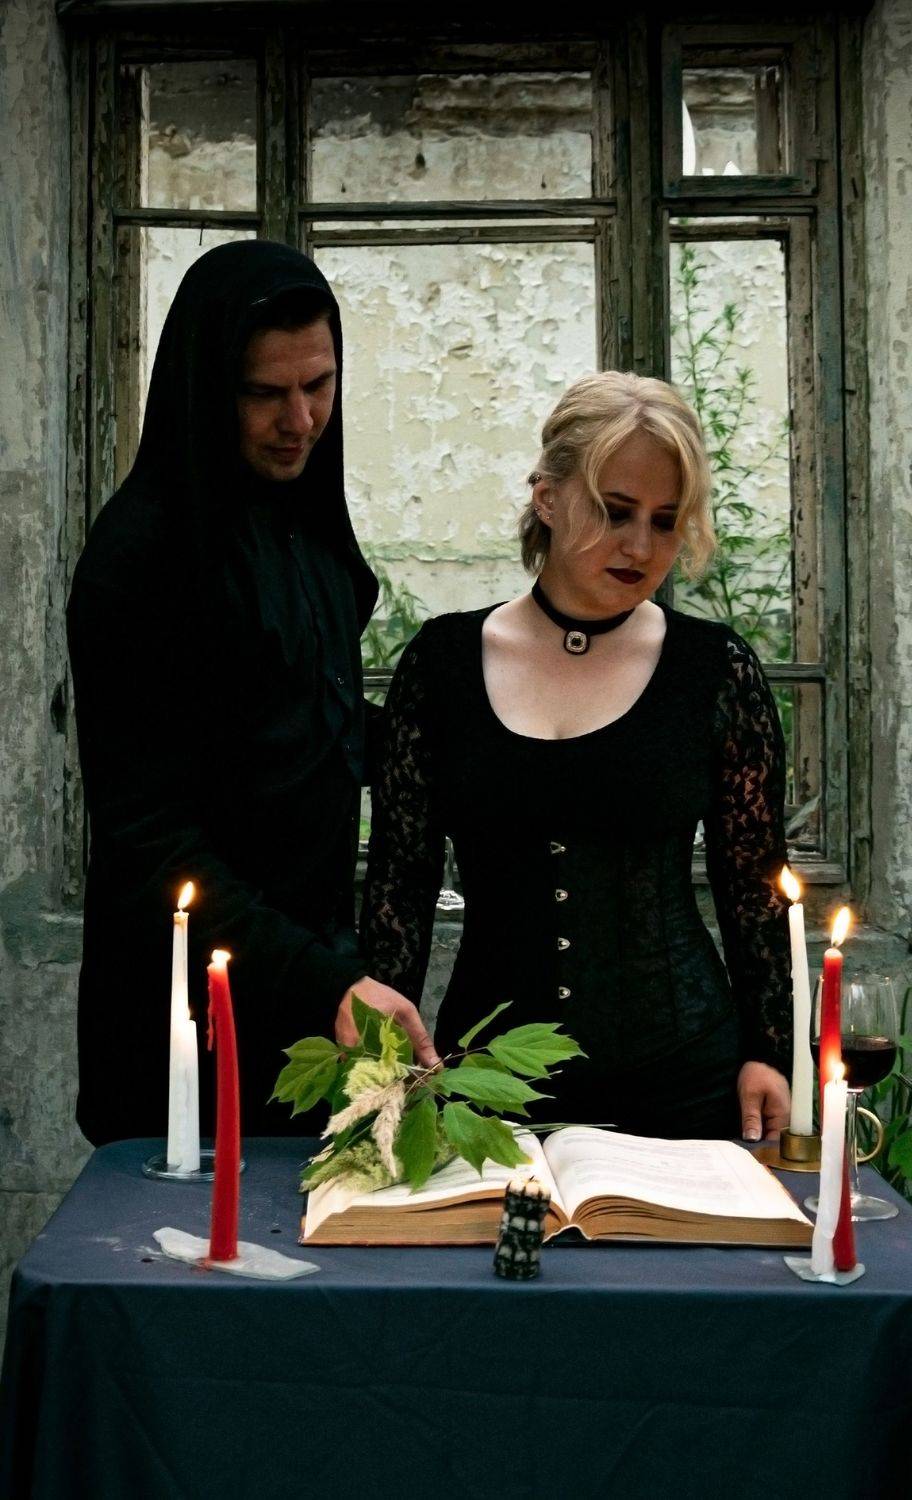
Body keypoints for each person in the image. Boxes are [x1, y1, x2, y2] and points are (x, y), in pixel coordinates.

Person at [68, 240, 436, 1147]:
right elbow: (150, 840)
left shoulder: (305, 523)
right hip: (179, 1035)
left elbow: (304, 726)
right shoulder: (140, 561)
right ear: (205, 389)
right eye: (265, 393)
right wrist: (325, 981)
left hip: (316, 1010)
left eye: (320, 385)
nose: (300, 420)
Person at [361, 371, 792, 1141]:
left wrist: (771, 1052)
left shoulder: (714, 671)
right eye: (616, 511)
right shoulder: (441, 664)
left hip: (683, 1085)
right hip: (487, 1086)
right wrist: (379, 1065)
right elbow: (401, 883)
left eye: (665, 522)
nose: (640, 546)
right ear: (548, 498)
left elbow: (755, 890)